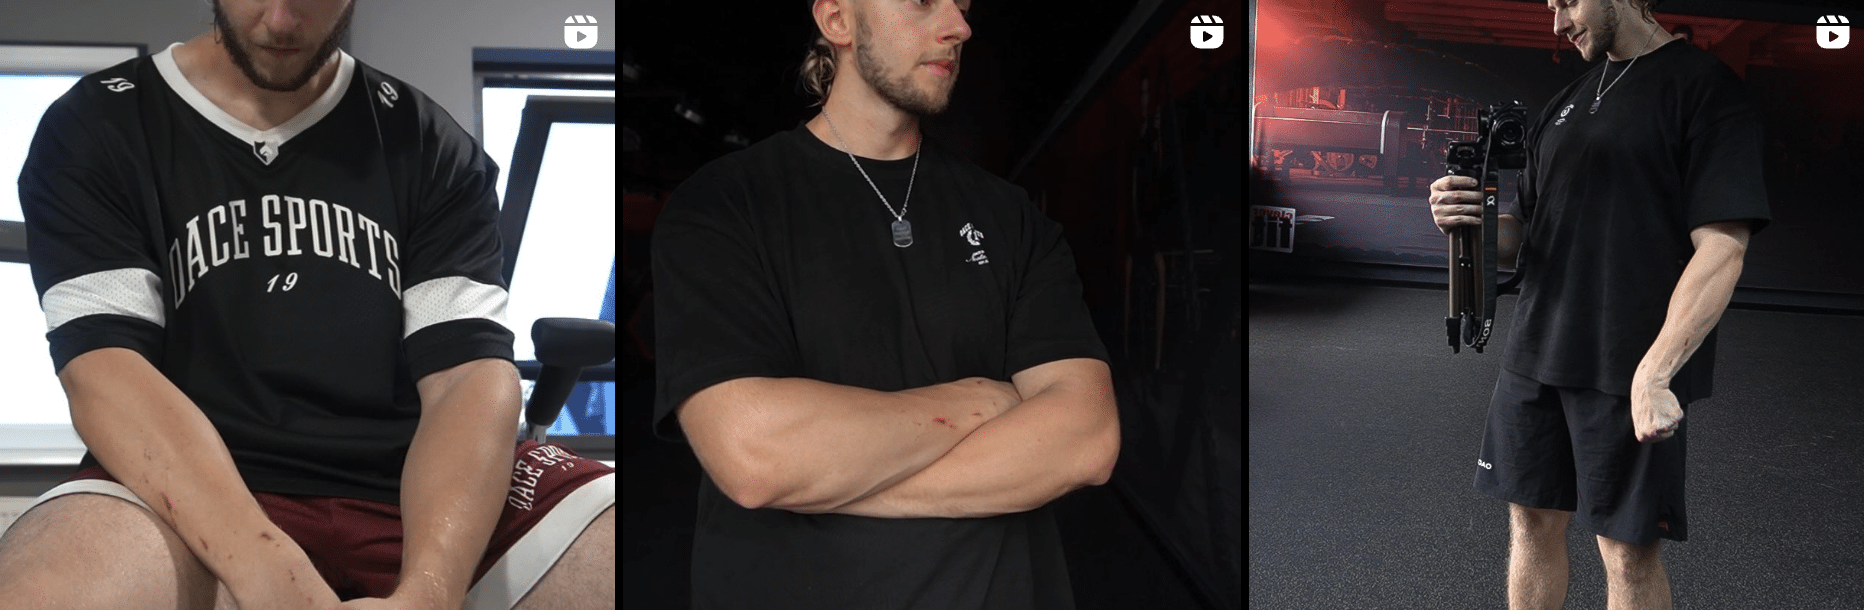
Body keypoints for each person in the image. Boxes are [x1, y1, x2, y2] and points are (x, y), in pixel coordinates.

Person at [0, 2, 615, 609]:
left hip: (409, 483)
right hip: (193, 490)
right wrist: (270, 571)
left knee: (624, 546)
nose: (281, 21)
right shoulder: (98, 124)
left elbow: (467, 376)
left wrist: (431, 590)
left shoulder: (427, 142)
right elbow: (104, 369)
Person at [649, 0, 1120, 607]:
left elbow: (1085, 441)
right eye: (923, 1)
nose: (958, 27)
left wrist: (825, 480)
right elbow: (756, 453)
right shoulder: (722, 205)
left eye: (963, 6)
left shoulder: (1013, 218)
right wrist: (979, 400)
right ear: (838, 21)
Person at [1428, 0, 1769, 608]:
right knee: (1530, 523)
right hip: (1535, 353)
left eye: (1568, 2)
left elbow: (1722, 247)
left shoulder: (1704, 89)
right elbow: (1525, 237)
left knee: (1627, 550)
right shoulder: (1566, 102)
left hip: (1625, 361)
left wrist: (1656, 371)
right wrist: (1470, 222)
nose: (1557, 22)